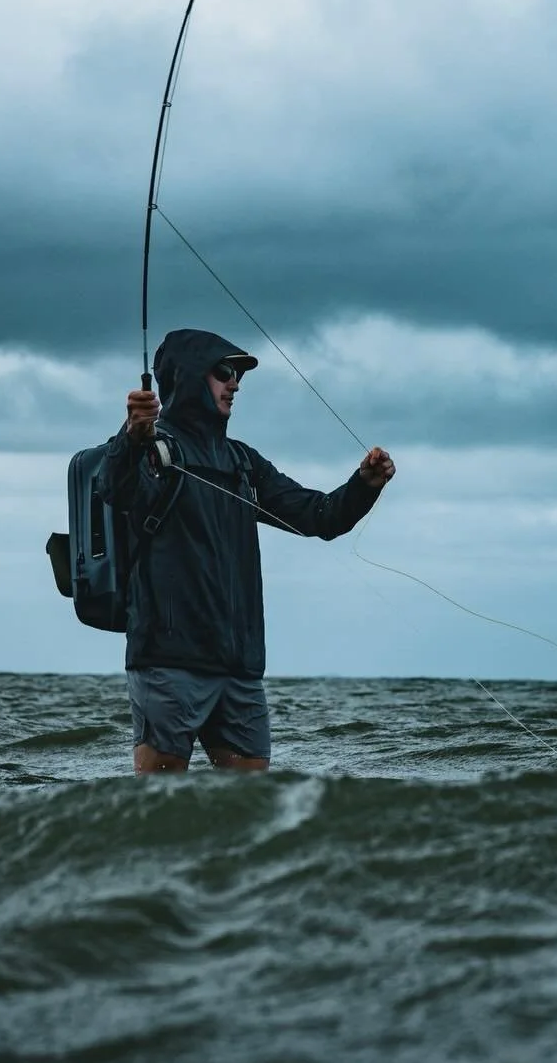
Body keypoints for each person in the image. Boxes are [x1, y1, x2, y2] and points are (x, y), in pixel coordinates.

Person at [96, 327, 395, 774]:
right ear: (187, 376)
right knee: (159, 804)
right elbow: (113, 487)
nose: (234, 383)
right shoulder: (151, 451)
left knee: (251, 810)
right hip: (167, 661)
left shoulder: (243, 462)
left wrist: (364, 486)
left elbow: (320, 516)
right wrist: (132, 437)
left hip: (240, 668)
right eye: (223, 372)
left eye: (237, 374)